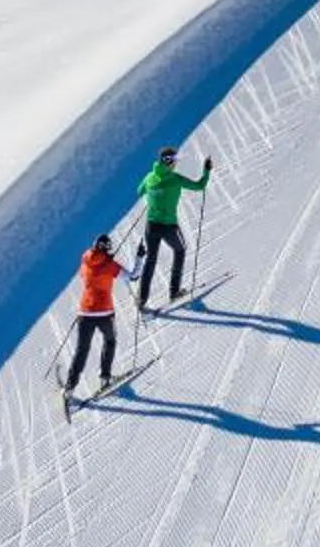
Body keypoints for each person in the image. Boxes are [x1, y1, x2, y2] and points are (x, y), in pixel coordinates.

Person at [134, 145, 213, 308]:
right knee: (180, 250)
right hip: (169, 226)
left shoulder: (149, 177)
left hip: (151, 225)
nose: (176, 163)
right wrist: (206, 171)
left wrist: (154, 196)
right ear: (168, 161)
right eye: (175, 160)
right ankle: (174, 291)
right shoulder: (175, 179)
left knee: (151, 259)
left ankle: (141, 299)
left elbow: (139, 191)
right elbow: (199, 186)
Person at [65, 233, 123, 392]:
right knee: (110, 341)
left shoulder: (85, 262)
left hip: (85, 312)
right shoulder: (111, 265)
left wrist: (104, 260)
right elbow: (134, 276)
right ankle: (105, 378)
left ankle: (70, 386)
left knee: (82, 349)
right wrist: (139, 258)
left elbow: (88, 274)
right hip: (105, 312)